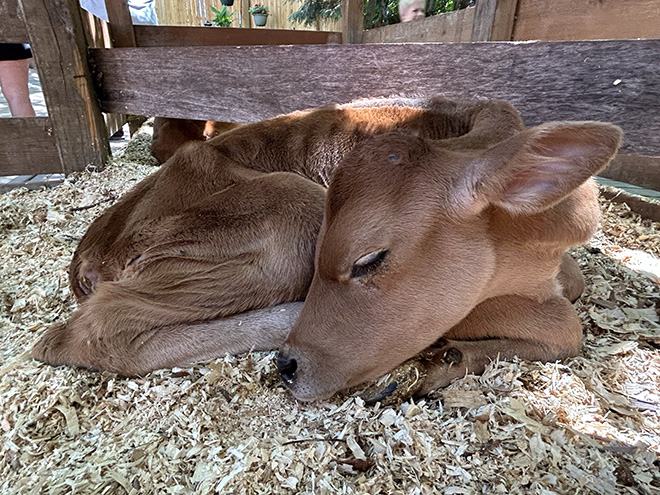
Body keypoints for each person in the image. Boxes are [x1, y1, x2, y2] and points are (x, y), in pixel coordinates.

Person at [0, 43, 36, 117]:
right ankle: (27, 128)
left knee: (18, 97)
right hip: (11, 45)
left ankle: (28, 127)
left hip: (11, 47)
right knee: (18, 97)